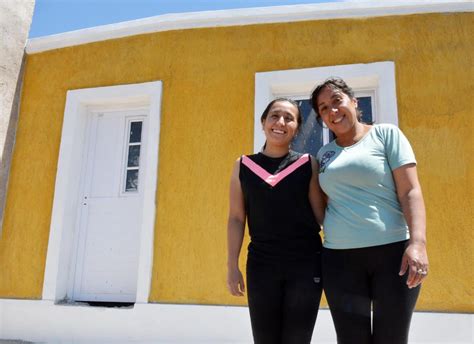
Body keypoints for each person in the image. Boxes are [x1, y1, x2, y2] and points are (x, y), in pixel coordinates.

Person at [311, 77, 429, 344]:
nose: (332, 110)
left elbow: (410, 191)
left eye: (337, 101)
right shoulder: (324, 154)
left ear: (354, 102)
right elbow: (325, 202)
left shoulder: (386, 134)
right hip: (339, 260)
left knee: (392, 338)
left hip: (392, 255)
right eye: (323, 108)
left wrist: (418, 243)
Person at [226, 98, 325, 344]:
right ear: (263, 122)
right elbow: (237, 218)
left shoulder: (306, 164)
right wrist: (232, 266)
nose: (281, 122)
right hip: (262, 266)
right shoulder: (243, 165)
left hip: (305, 265)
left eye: (289, 118)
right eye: (274, 116)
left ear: (297, 127)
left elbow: (322, 217)